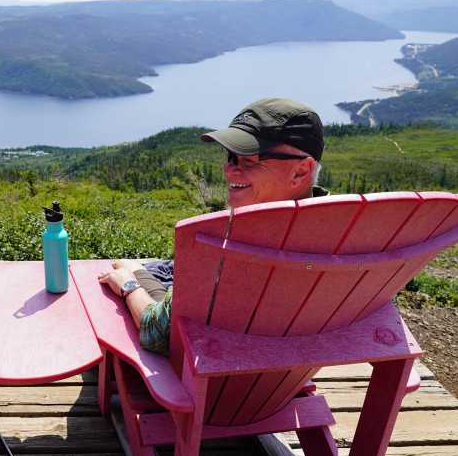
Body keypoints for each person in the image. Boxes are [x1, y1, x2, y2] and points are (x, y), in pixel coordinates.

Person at [97, 98, 329, 355]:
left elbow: (158, 333)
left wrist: (129, 285)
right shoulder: (341, 233)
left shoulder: (229, 244)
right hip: (283, 372)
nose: (229, 171)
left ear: (300, 171)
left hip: (208, 374)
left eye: (249, 161)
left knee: (121, 270)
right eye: (230, 157)